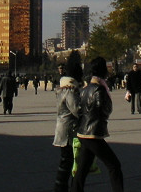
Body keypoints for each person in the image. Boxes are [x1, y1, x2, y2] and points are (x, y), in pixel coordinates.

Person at [71, 56, 124, 192]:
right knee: (114, 165)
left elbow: (79, 109)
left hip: (83, 131)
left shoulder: (85, 89)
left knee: (83, 168)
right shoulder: (99, 90)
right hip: (93, 133)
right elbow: (104, 108)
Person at [52, 63, 83, 192]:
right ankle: (60, 187)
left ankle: (62, 186)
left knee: (66, 160)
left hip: (62, 128)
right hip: (68, 130)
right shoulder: (69, 91)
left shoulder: (62, 89)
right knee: (67, 161)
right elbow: (76, 109)